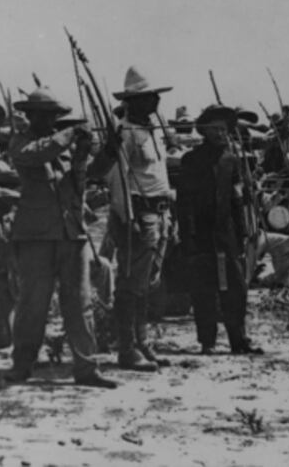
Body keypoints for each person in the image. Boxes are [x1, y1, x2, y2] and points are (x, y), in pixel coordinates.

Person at [3, 87, 116, 388]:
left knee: (80, 304)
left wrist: (106, 154)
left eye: (53, 116)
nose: (50, 121)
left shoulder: (61, 145)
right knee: (32, 305)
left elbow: (85, 176)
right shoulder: (21, 141)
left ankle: (87, 368)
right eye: (44, 115)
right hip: (36, 234)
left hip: (71, 232)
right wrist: (69, 135)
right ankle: (22, 365)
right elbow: (35, 155)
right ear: (30, 116)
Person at [177, 104, 263, 355]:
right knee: (204, 287)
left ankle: (239, 340)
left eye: (224, 129)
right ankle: (207, 341)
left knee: (236, 287)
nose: (220, 134)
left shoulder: (231, 159)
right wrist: (188, 236)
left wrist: (243, 230)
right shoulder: (191, 160)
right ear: (203, 131)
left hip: (227, 234)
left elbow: (237, 199)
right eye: (214, 129)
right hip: (200, 233)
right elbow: (185, 203)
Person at [107, 67, 174, 372]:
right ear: (133, 102)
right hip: (140, 215)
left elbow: (158, 175)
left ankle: (142, 343)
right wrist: (127, 217)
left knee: (147, 283)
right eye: (149, 97)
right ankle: (127, 348)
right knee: (131, 284)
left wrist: (169, 216)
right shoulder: (125, 133)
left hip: (160, 214)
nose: (156, 101)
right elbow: (118, 179)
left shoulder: (152, 132)